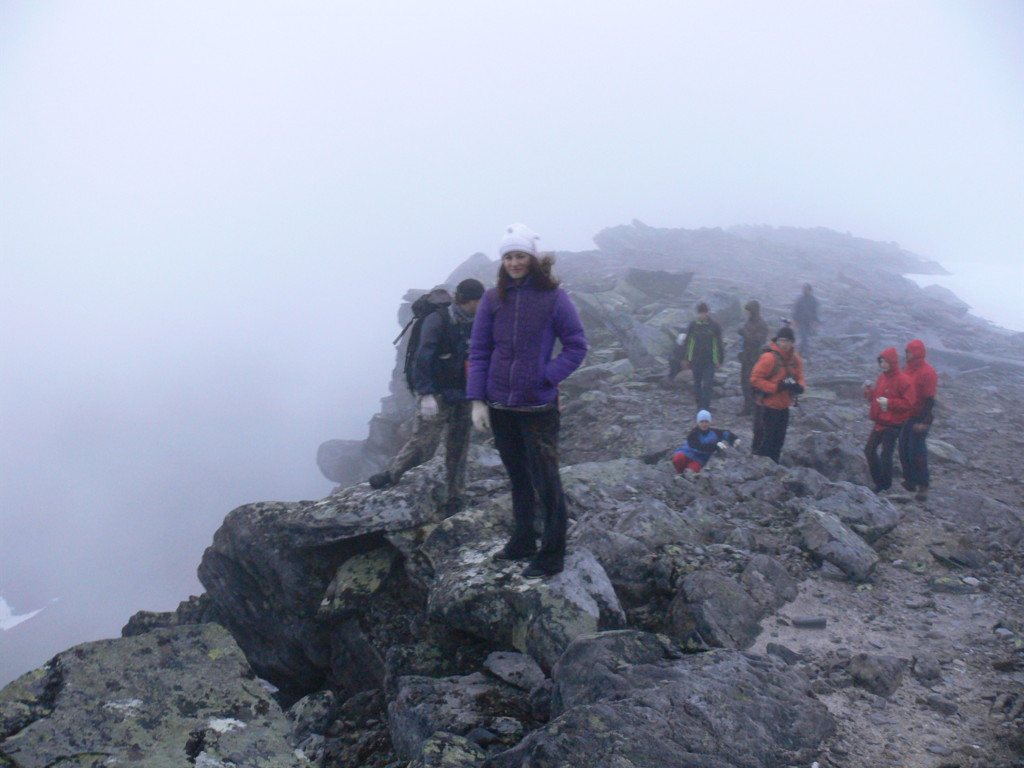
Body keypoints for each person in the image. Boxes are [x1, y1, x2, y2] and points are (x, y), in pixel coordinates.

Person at [467, 223, 587, 579]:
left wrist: (546, 376)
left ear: (533, 259)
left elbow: (576, 345)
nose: (514, 263)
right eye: (508, 257)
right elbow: (479, 350)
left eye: (520, 256)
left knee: (546, 479)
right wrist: (477, 400)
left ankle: (552, 553)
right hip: (500, 406)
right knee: (517, 476)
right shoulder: (492, 299)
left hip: (537, 406)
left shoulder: (554, 297)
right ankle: (523, 540)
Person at [369, 278, 486, 512]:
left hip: (463, 393)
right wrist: (426, 394)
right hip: (438, 393)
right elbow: (423, 358)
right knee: (423, 441)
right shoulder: (438, 320)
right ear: (470, 300)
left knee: (458, 446)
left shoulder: (475, 322)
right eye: (480, 300)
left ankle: (455, 495)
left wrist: (478, 396)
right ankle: (393, 474)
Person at [750, 326, 805, 463]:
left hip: (784, 406)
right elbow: (755, 379)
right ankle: (756, 469)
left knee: (778, 443)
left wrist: (799, 387)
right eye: (781, 340)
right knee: (763, 443)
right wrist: (776, 387)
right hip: (766, 406)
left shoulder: (795, 359)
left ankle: (773, 469)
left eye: (787, 341)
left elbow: (799, 377)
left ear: (792, 342)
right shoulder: (768, 358)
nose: (784, 344)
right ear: (777, 340)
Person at [863, 347, 914, 494]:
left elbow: (908, 403)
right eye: (881, 362)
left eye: (886, 362)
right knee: (869, 450)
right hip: (880, 421)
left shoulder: (903, 380)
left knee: (886, 454)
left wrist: (889, 403)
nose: (883, 365)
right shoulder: (882, 377)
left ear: (893, 362)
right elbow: (877, 398)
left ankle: (884, 485)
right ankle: (879, 481)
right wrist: (869, 393)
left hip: (894, 424)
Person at [898, 339, 937, 501]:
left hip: (920, 415)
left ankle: (923, 485)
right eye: (907, 352)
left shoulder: (928, 372)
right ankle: (910, 480)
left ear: (918, 353)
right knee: (903, 448)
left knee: (916, 451)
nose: (907, 355)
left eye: (910, 352)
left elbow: (929, 399)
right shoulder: (908, 368)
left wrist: (924, 422)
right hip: (907, 413)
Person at [681, 302, 724, 411]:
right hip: (696, 359)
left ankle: (705, 407)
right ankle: (699, 406)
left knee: (708, 384)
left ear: (707, 312)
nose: (701, 315)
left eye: (702, 313)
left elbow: (718, 344)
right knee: (697, 383)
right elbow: (688, 343)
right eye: (699, 313)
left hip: (710, 360)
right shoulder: (693, 325)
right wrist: (686, 358)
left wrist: (720, 360)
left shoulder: (714, 326)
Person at [672, 409, 740, 474]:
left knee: (692, 471)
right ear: (698, 422)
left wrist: (734, 439)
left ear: (709, 422)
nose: (704, 424)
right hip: (687, 454)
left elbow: (726, 433)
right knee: (678, 458)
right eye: (701, 422)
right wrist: (716, 445)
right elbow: (700, 446)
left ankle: (686, 476)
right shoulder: (693, 433)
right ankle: (679, 474)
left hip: (699, 459)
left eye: (706, 422)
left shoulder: (714, 433)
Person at [737, 299, 769, 415]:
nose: (747, 313)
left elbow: (759, 341)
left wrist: (744, 334)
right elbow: (744, 340)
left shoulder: (761, 325)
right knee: (744, 382)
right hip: (746, 357)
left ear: (753, 311)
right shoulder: (748, 322)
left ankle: (756, 408)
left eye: (748, 311)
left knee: (754, 383)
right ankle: (747, 407)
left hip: (756, 358)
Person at [792, 283, 820, 356]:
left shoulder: (813, 300)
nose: (807, 291)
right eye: (805, 289)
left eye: (808, 289)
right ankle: (803, 354)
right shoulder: (800, 299)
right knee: (804, 337)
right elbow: (796, 310)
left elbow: (814, 311)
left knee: (805, 338)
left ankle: (801, 353)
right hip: (800, 321)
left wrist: (816, 320)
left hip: (808, 322)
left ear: (811, 290)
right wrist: (794, 320)